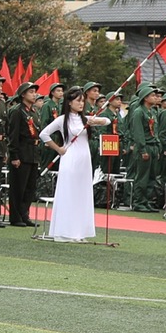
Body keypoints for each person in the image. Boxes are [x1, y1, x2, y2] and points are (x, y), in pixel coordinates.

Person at [37, 90, 99, 241]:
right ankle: (65, 231)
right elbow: (43, 134)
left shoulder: (86, 119)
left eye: (82, 101)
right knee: (69, 193)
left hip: (84, 160)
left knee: (82, 194)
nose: (81, 103)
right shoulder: (62, 119)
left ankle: (80, 232)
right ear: (69, 102)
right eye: (78, 100)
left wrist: (96, 121)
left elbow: (107, 121)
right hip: (70, 158)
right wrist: (58, 148)